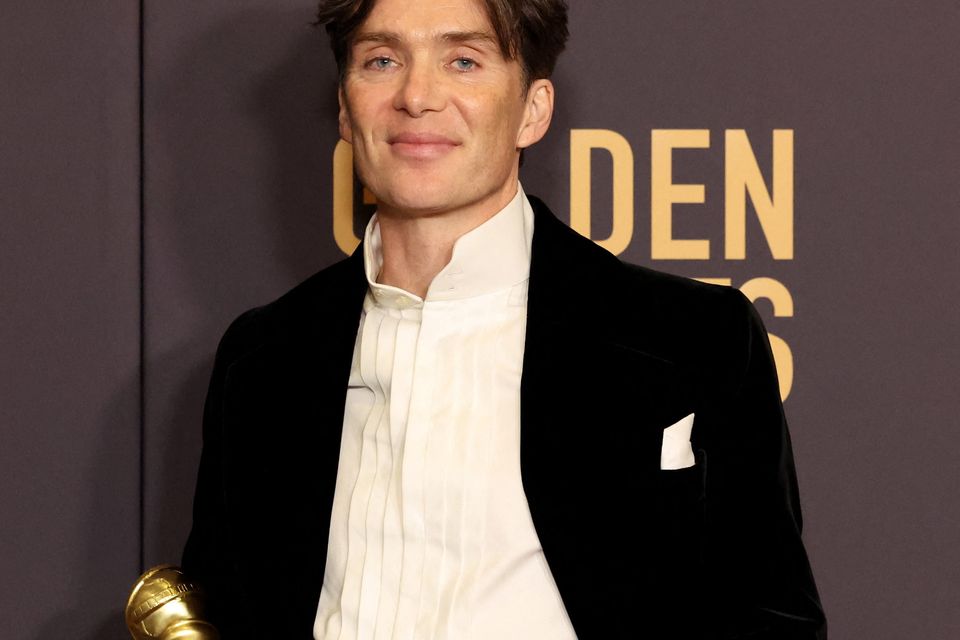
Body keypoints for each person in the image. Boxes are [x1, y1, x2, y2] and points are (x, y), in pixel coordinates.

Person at [182, 0, 827, 637]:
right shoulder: (262, 359)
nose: (417, 95)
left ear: (533, 110)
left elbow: (773, 620)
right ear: (346, 108)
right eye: (382, 60)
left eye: (463, 61)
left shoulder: (693, 340)